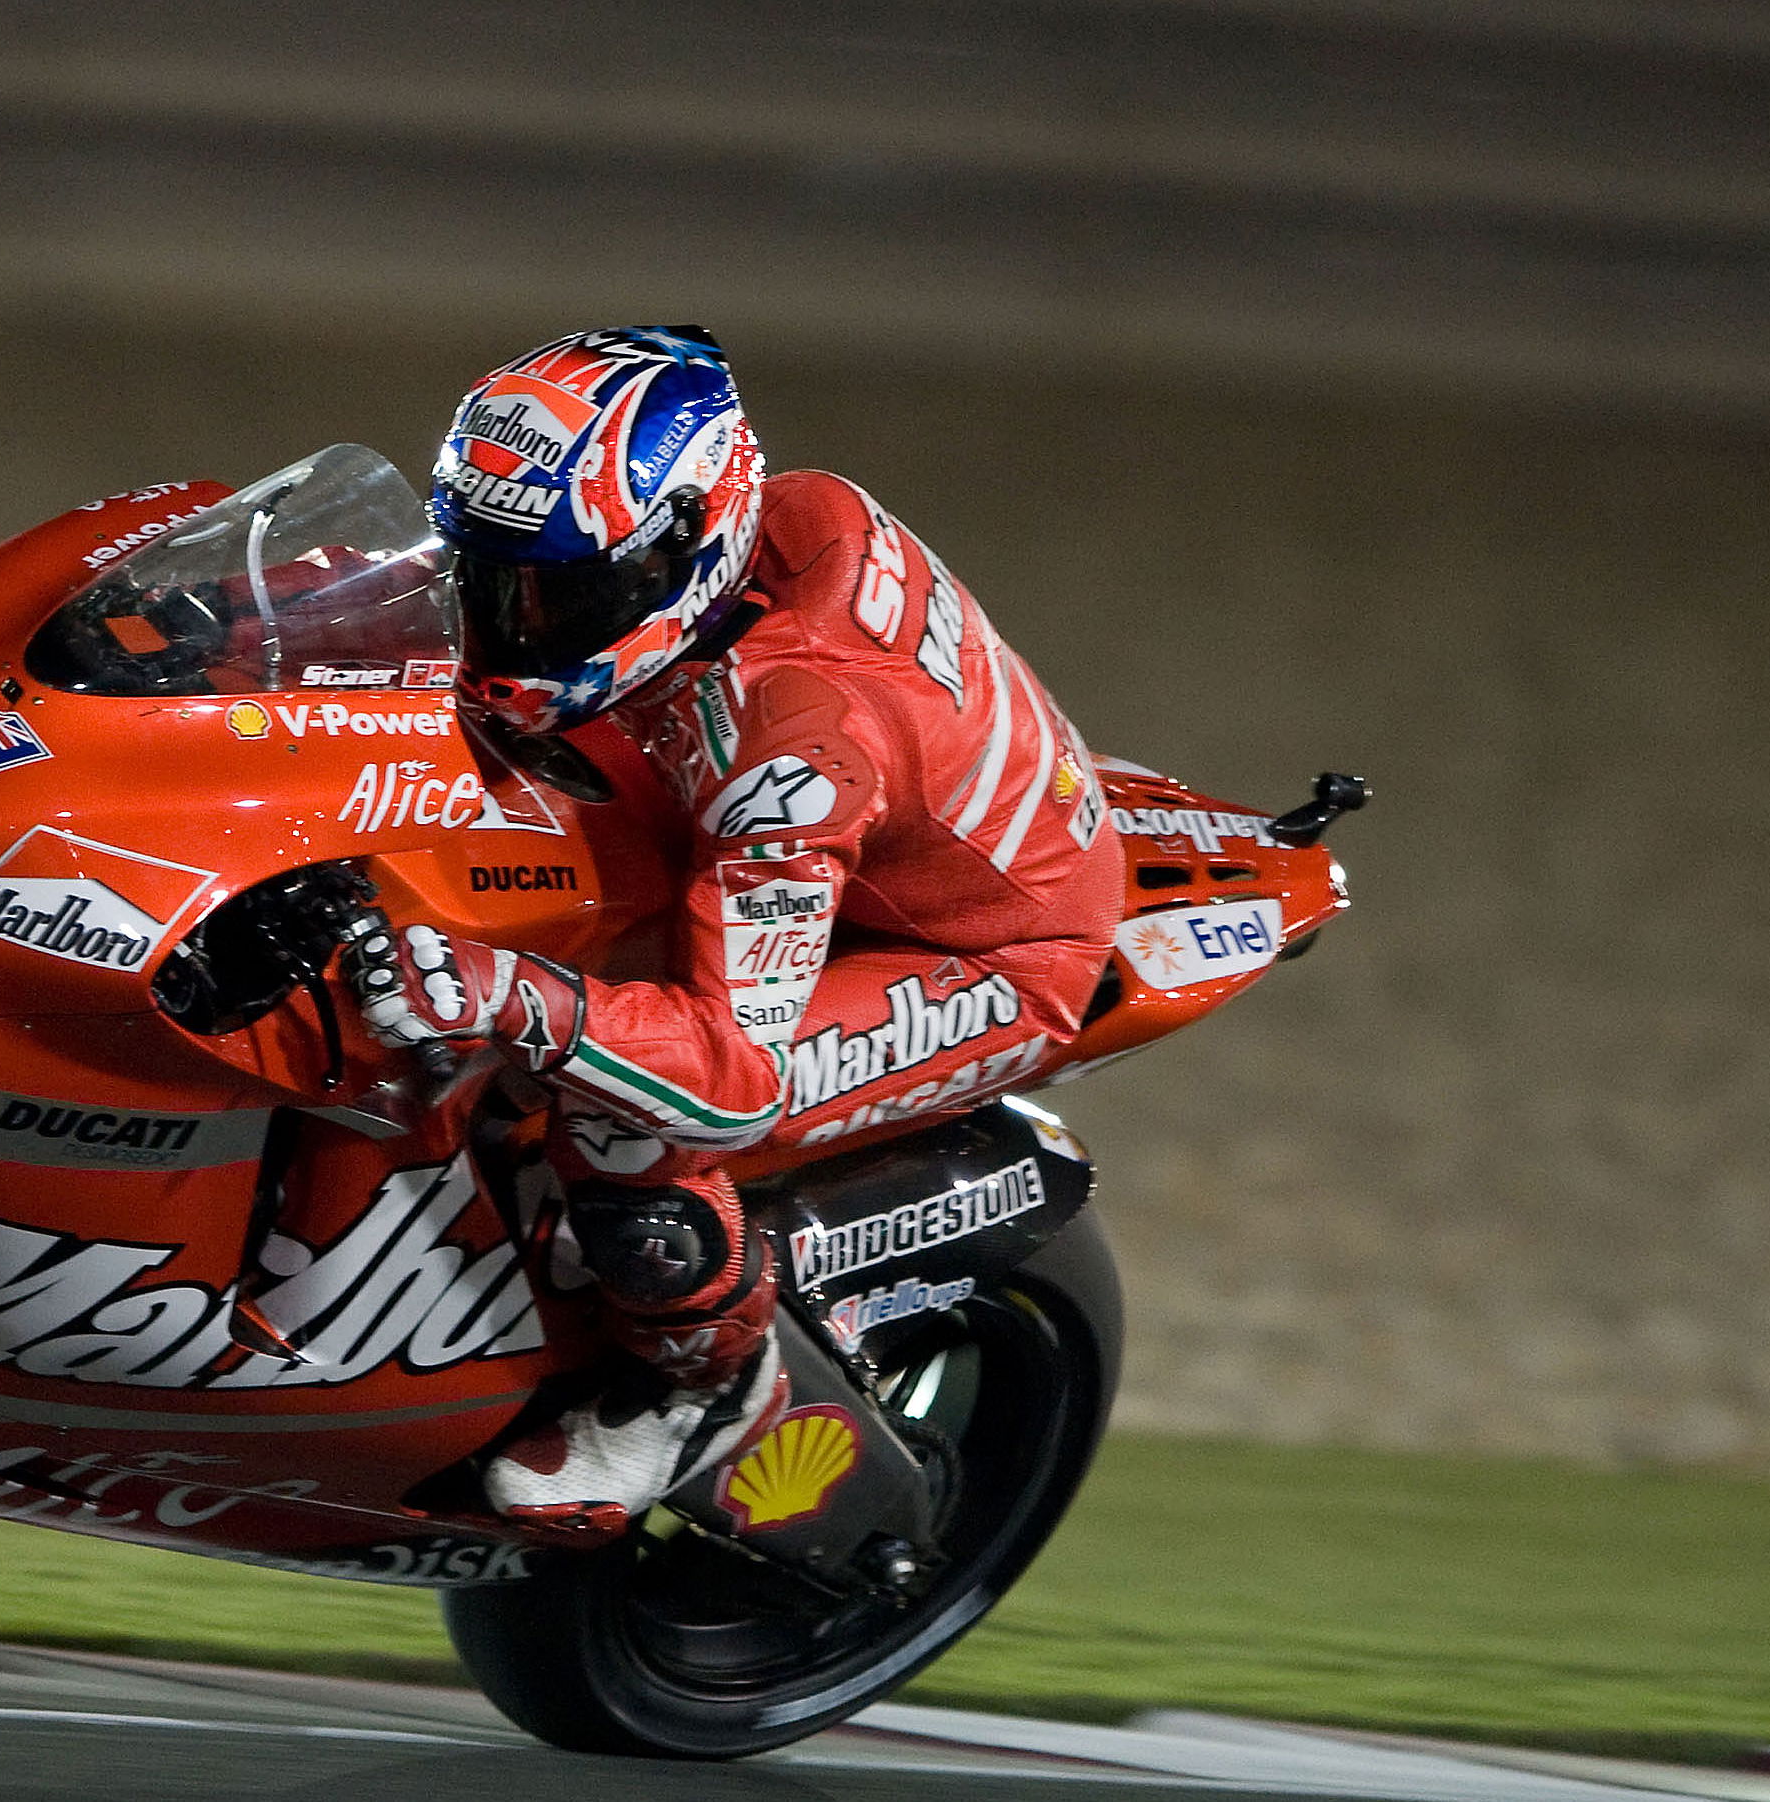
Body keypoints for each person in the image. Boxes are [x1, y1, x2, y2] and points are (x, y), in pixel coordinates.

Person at [346, 328, 1186, 1534]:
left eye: (562, 592)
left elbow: (728, 1077)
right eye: (489, 575)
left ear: (686, 543)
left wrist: (500, 995)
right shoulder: (751, 532)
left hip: (971, 951)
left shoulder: (789, 756)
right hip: (856, 819)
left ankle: (704, 1385)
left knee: (618, 1108)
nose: (512, 625)